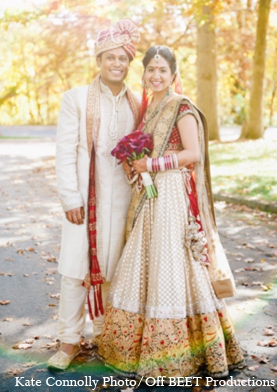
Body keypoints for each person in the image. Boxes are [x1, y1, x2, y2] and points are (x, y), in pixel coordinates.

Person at [98, 45, 244, 380]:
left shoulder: (182, 107)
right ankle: (137, 347)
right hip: (151, 195)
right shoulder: (149, 111)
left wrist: (151, 163)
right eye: (151, 69)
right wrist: (137, 168)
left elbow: (191, 153)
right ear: (145, 74)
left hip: (173, 195)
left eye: (163, 70)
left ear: (173, 74)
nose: (156, 75)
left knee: (172, 264)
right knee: (145, 260)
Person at [47, 19, 140, 370]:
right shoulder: (76, 98)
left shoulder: (137, 102)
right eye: (110, 58)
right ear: (98, 60)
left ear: (129, 63)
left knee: (116, 269)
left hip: (125, 202)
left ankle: (105, 336)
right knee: (75, 270)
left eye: (122, 59)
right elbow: (64, 151)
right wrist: (69, 197)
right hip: (85, 201)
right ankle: (68, 342)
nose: (117, 64)